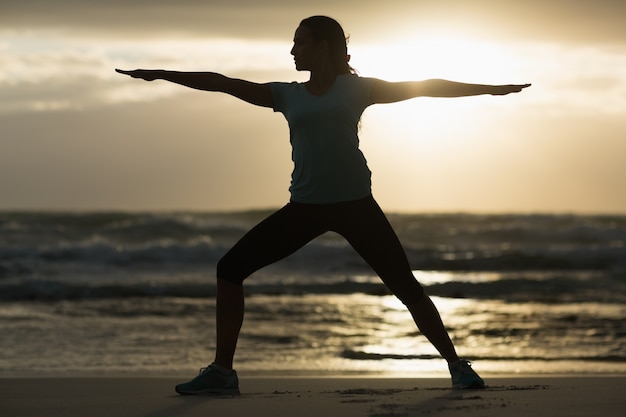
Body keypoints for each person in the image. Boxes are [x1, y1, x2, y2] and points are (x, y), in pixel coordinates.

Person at [117, 15, 530, 394]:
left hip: (355, 206)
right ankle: (223, 372)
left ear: (324, 47)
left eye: (300, 43)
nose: (293, 51)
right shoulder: (286, 95)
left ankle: (458, 366)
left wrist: (491, 89)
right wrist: (161, 75)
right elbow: (221, 81)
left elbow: (427, 86)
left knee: (405, 286)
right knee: (230, 268)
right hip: (306, 208)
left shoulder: (359, 88)